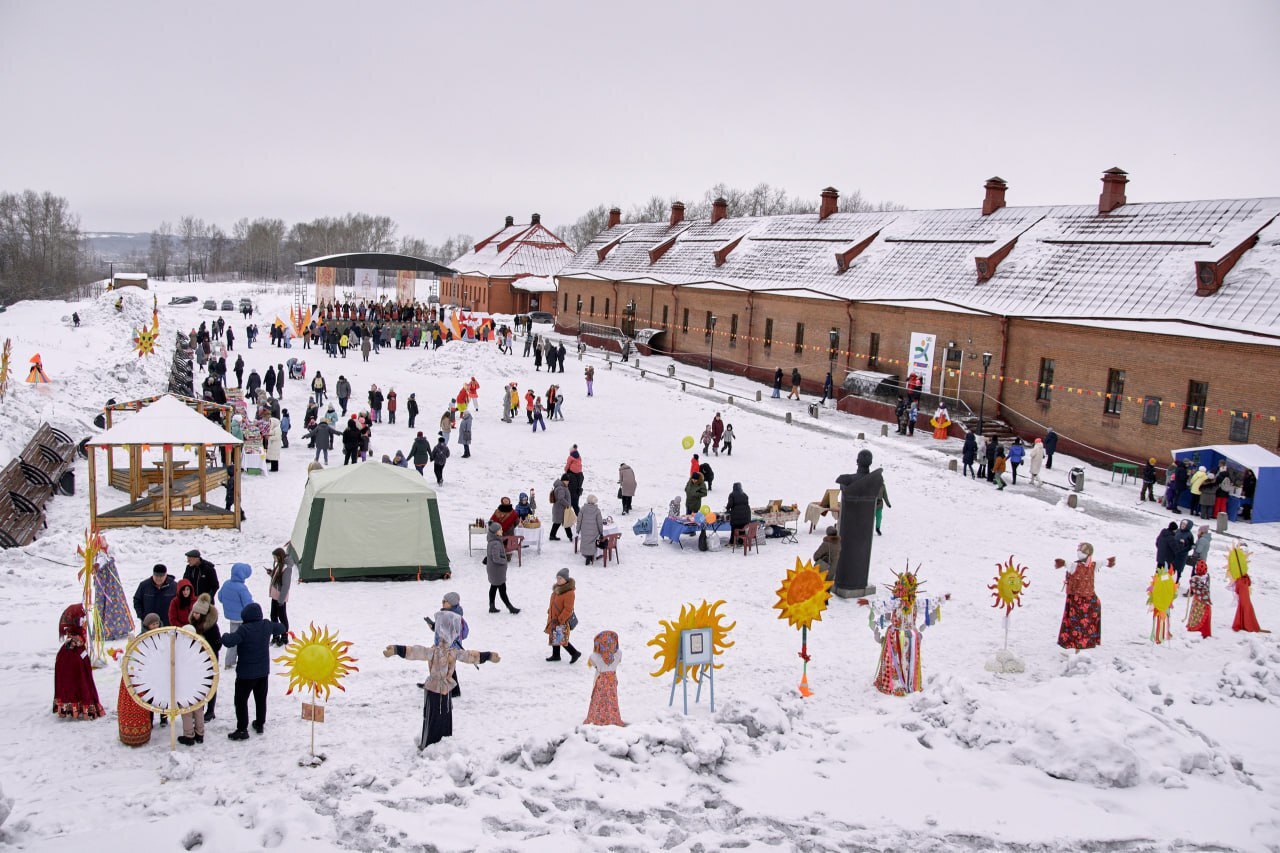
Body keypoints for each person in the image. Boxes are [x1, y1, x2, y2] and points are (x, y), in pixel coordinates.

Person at [383, 611, 501, 749]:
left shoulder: (453, 652)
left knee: (444, 718)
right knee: (433, 719)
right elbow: (414, 652)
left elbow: (471, 656)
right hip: (433, 690)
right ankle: (429, 745)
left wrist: (489, 656)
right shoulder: (433, 651)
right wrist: (397, 650)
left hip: (446, 691)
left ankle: (443, 745)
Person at [221, 602, 286, 740]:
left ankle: (242, 729)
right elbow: (281, 627)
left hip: (245, 674)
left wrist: (224, 635)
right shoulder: (266, 625)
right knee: (261, 699)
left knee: (241, 701)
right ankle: (260, 723)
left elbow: (229, 641)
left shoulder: (244, 629)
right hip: (263, 673)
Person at [1054, 543, 1114, 651]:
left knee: (1075, 625)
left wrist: (1062, 563)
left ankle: (1077, 647)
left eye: (1081, 550)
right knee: (1083, 626)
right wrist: (1109, 562)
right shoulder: (1093, 565)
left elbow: (1065, 564)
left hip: (1078, 602)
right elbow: (1104, 562)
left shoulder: (1075, 566)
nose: (1079, 552)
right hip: (1090, 600)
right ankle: (1079, 647)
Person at [53, 604, 105, 720]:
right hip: (74, 662)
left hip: (77, 659)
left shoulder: (75, 639)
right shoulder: (73, 643)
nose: (85, 621)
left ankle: (75, 706)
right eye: (83, 619)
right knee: (78, 682)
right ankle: (78, 706)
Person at [118, 613, 159, 745]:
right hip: (141, 676)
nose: (155, 626)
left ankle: (162, 719)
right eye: (153, 624)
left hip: (154, 673)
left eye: (157, 623)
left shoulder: (161, 637)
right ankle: (147, 725)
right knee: (145, 701)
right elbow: (133, 655)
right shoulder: (142, 639)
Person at [190, 593, 222, 721]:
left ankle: (210, 710)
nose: (195, 615)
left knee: (210, 685)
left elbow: (217, 644)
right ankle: (199, 708)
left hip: (210, 660)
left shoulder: (212, 627)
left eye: (197, 613)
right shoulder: (193, 624)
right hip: (196, 660)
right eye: (194, 613)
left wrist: (207, 650)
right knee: (198, 685)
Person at [218, 563, 254, 671]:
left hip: (232, 618)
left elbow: (220, 597)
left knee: (233, 640)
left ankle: (229, 662)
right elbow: (248, 605)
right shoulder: (242, 588)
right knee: (245, 640)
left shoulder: (226, 584)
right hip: (243, 619)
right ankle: (245, 661)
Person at [584, 631, 625, 726]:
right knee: (612, 699)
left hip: (601, 681)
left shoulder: (594, 656)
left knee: (599, 700)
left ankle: (597, 718)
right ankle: (612, 718)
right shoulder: (618, 654)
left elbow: (592, 664)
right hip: (612, 680)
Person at [1227, 543, 1267, 633]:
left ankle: (1245, 623)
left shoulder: (1242, 575)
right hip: (1242, 583)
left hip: (1242, 582)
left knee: (1244, 604)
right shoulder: (1243, 576)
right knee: (1245, 604)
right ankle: (1246, 623)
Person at [545, 568, 581, 663]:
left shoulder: (569, 593)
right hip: (554, 617)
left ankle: (575, 653)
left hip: (561, 619)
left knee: (560, 638)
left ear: (566, 579)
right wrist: (550, 611)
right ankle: (556, 655)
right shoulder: (557, 589)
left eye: (560, 578)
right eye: (557, 578)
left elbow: (568, 609)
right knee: (555, 636)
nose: (558, 580)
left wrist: (560, 619)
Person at [485, 521, 520, 613]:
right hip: (497, 571)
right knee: (502, 590)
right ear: (495, 532)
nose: (502, 530)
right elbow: (496, 558)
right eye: (500, 530)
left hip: (494, 570)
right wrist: (504, 561)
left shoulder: (492, 541)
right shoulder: (495, 543)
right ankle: (510, 608)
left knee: (493, 587)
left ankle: (491, 607)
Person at [268, 547, 293, 647]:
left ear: (279, 556)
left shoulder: (287, 568)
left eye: (274, 557)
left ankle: (284, 636)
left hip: (280, 597)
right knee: (273, 616)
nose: (274, 559)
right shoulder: (279, 564)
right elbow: (278, 578)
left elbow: (286, 585)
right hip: (275, 595)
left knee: (282, 617)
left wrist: (281, 600)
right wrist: (271, 574)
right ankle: (275, 635)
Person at [1186, 560, 1212, 638]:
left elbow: (1193, 589)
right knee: (1205, 615)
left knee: (1197, 614)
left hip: (1198, 600)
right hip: (1205, 600)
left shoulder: (1194, 579)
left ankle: (1195, 627)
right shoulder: (1207, 577)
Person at [577, 495, 605, 566]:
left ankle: (586, 555)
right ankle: (590, 556)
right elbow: (599, 523)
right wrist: (601, 532)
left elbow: (579, 520)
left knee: (585, 541)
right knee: (592, 542)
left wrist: (578, 529)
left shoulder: (583, 509)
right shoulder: (597, 510)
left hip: (584, 530)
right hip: (594, 531)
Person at [550, 476, 574, 542]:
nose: (568, 482)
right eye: (567, 481)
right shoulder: (561, 488)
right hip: (560, 509)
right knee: (565, 523)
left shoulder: (561, 487)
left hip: (560, 509)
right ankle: (570, 537)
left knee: (558, 523)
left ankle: (552, 535)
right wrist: (568, 504)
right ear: (563, 480)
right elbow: (561, 499)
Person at [564, 446, 584, 512]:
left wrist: (566, 470)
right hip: (578, 478)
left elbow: (567, 465)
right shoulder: (579, 457)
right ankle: (578, 517)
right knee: (576, 504)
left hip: (572, 479)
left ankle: (569, 517)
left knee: (570, 502)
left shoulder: (570, 457)